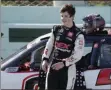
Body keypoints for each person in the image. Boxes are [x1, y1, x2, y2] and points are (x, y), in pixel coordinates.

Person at [41, 4, 85, 90]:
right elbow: (49, 45)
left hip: (68, 69)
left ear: (72, 17)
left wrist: (64, 63)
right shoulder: (56, 29)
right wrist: (45, 59)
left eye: (66, 16)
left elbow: (78, 54)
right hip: (53, 66)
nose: (63, 19)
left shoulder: (78, 34)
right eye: (61, 16)